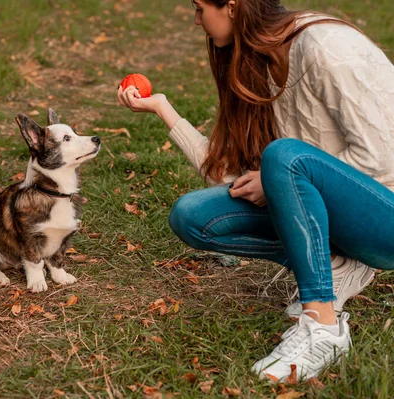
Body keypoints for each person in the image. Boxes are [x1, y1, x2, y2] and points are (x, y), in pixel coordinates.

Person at [117, 0, 394, 382]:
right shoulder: (259, 65)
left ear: (231, 6)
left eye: (199, 8)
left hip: (386, 215)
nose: (196, 19)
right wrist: (164, 110)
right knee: (193, 215)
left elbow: (383, 157)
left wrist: (281, 174)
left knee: (283, 157)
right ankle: (335, 264)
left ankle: (324, 327)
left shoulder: (325, 48)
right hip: (335, 206)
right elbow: (229, 176)